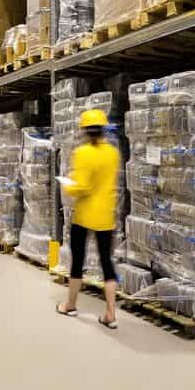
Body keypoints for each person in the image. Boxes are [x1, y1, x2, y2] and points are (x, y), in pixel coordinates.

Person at [56, 109, 121, 328]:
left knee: (78, 262)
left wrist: (68, 184)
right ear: (103, 129)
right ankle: (110, 314)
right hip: (106, 216)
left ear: (85, 131)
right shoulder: (113, 153)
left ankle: (70, 305)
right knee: (106, 263)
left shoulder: (82, 153)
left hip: (84, 216)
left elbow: (82, 186)